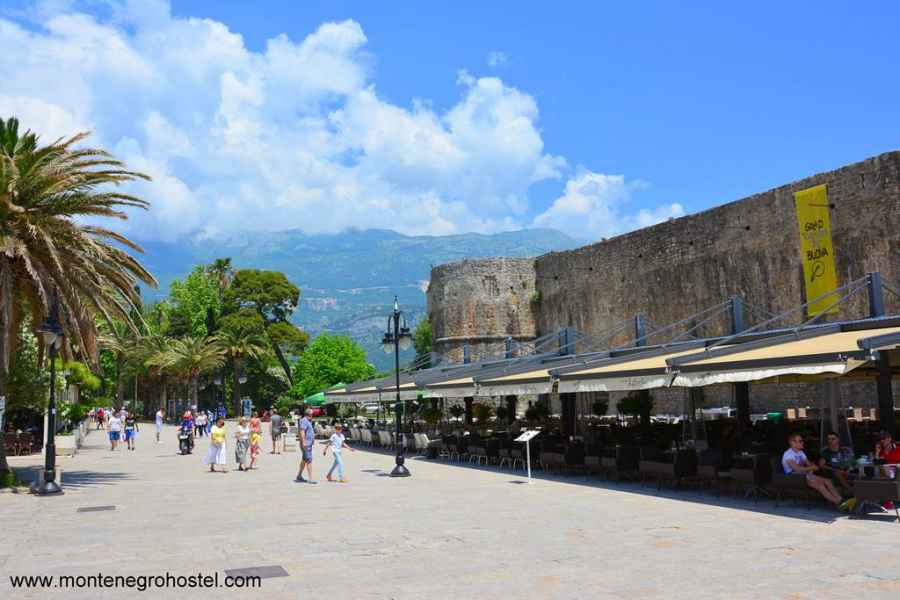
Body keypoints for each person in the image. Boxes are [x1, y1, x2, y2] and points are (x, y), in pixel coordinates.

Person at [782, 433, 852, 510]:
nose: (803, 442)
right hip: (794, 477)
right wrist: (811, 468)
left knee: (828, 481)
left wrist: (811, 468)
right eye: (800, 441)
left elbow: (808, 464)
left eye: (802, 441)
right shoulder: (788, 455)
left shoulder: (800, 452)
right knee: (820, 485)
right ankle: (839, 503)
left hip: (804, 475)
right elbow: (797, 469)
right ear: (792, 443)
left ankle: (840, 499)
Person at [295, 409, 316, 484]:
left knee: (304, 460)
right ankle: (310, 479)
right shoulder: (304, 420)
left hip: (308, 443)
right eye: (312, 414)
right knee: (309, 460)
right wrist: (304, 441)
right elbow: (302, 431)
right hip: (306, 444)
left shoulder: (308, 421)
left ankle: (299, 476)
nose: (313, 415)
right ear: (309, 414)